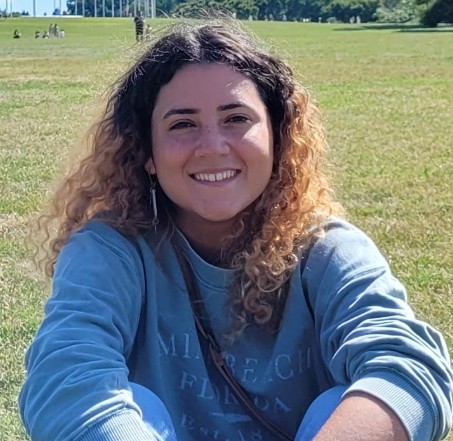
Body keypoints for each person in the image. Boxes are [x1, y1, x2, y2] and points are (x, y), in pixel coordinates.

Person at [19, 19, 453, 441]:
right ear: (146, 152)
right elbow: (65, 378)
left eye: (236, 118)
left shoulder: (327, 249)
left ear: (277, 137)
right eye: (182, 124)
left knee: (341, 402)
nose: (211, 146)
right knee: (135, 402)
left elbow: (409, 368)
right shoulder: (109, 251)